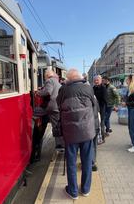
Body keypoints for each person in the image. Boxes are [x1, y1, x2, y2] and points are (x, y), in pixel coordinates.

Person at [57, 69, 96, 200]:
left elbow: (58, 106)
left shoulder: (63, 90)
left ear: (69, 79)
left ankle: (73, 191)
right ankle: (85, 189)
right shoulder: (88, 88)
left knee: (72, 163)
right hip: (87, 131)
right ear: (79, 77)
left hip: (70, 133)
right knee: (86, 161)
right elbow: (94, 106)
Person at [37, 69, 64, 149]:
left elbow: (48, 91)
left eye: (45, 76)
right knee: (57, 124)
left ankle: (60, 144)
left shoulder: (49, 81)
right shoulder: (56, 81)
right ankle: (60, 144)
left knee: (55, 126)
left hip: (52, 106)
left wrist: (38, 93)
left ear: (46, 75)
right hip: (57, 106)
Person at [93, 75, 108, 142]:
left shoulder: (103, 88)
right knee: (96, 123)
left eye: (97, 80)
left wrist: (101, 107)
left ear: (101, 80)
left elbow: (105, 100)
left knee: (101, 123)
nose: (96, 81)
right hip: (94, 108)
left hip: (101, 108)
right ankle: (97, 138)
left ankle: (102, 138)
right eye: (95, 80)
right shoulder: (93, 88)